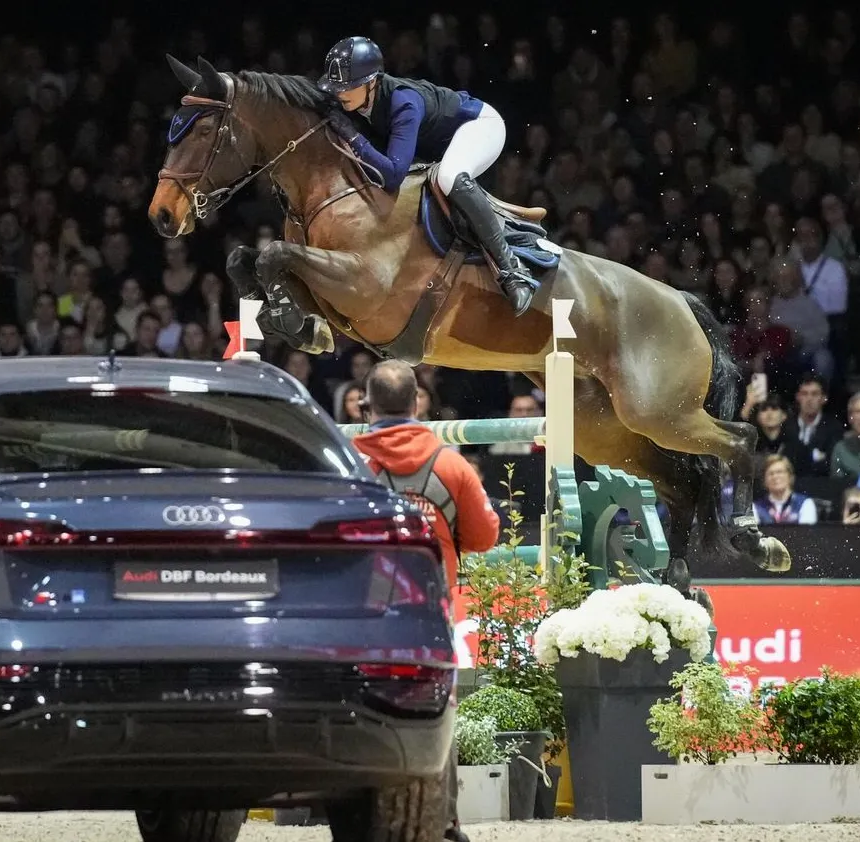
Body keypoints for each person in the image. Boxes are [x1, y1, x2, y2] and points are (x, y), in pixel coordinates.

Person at [350, 359, 500, 842]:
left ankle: (355, 816)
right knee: (436, 712)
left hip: (361, 617)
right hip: (430, 616)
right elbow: (485, 536)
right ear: (416, 403)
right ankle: (445, 821)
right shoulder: (451, 464)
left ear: (366, 405)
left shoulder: (349, 465)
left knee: (359, 709)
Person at [316, 35, 535, 317]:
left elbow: (393, 175)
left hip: (480, 126)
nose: (340, 93)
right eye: (337, 87)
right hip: (440, 146)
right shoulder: (358, 101)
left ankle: (512, 269)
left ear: (371, 82)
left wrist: (352, 136)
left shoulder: (403, 102)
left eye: (348, 86)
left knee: (449, 176)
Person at [753, 455, 818, 525]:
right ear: (764, 480)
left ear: (790, 476)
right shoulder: (755, 507)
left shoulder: (805, 503)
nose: (775, 476)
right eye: (771, 474)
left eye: (779, 472)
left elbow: (806, 531)